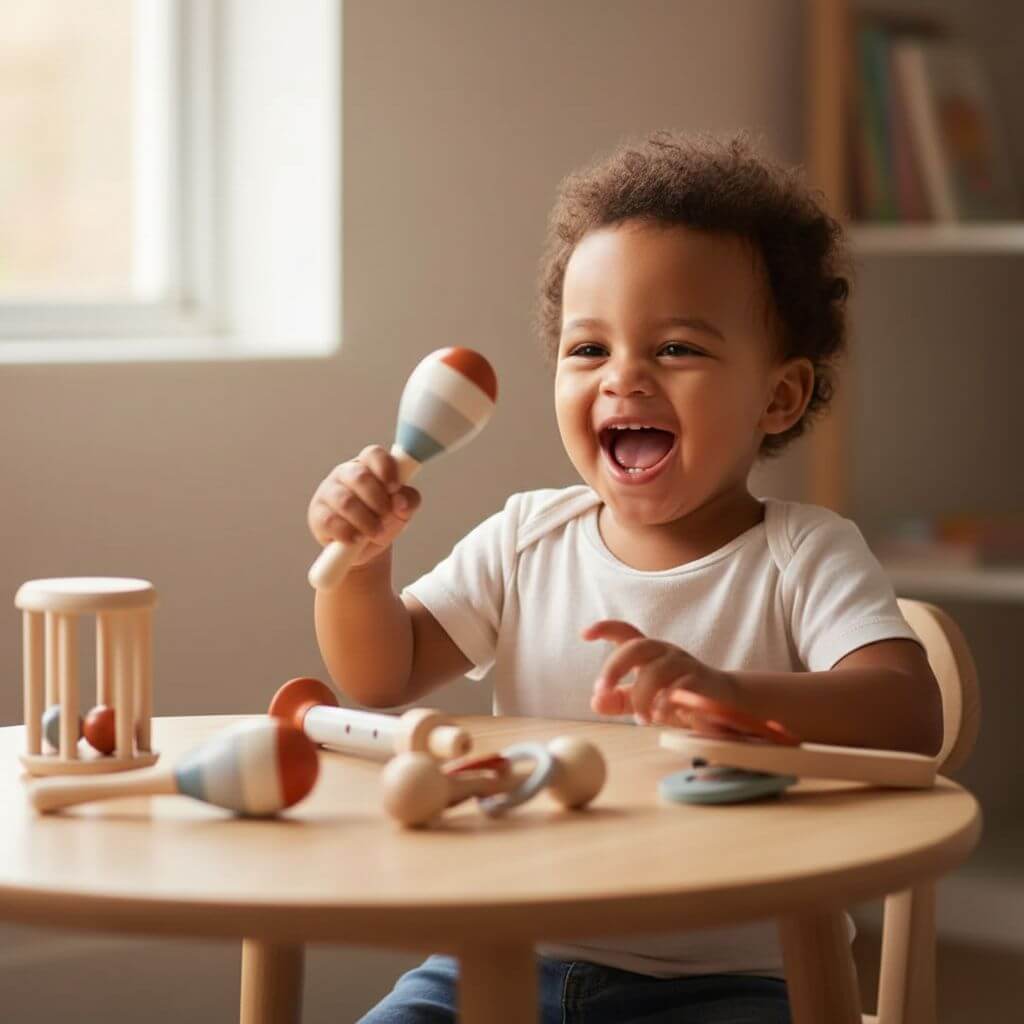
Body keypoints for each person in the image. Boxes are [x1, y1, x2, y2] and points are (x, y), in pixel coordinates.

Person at [308, 131, 944, 1024]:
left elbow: (909, 715)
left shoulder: (804, 554)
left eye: (677, 349)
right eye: (588, 350)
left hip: (736, 982)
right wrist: (360, 570)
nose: (625, 379)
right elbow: (377, 677)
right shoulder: (529, 536)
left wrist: (729, 695)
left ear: (779, 397)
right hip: (504, 956)